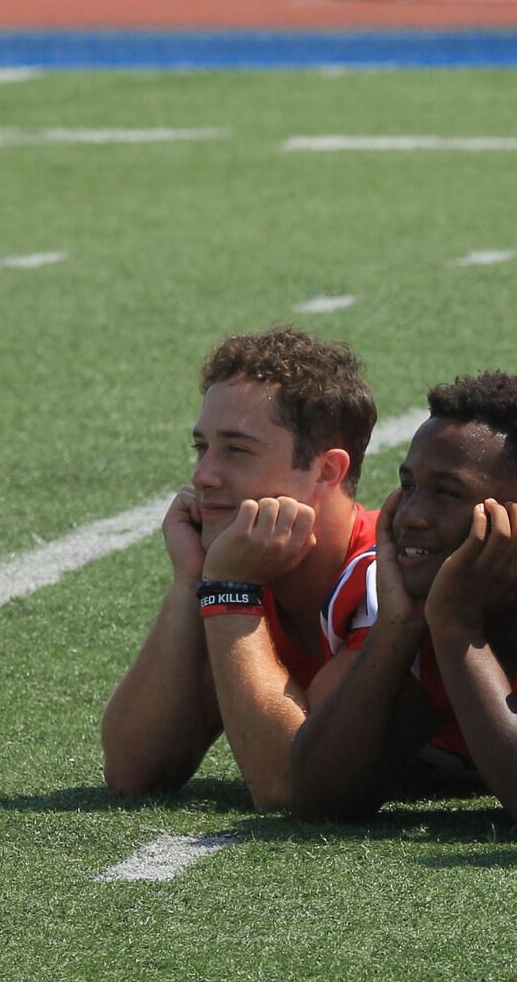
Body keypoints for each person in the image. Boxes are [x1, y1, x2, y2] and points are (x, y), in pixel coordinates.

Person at [290, 372, 517, 837]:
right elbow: (320, 797)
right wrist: (398, 626)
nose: (411, 516)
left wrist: (457, 628)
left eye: (449, 493)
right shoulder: (430, 589)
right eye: (409, 485)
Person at [102, 327, 377, 811]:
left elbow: (289, 787)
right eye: (201, 447)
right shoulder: (249, 566)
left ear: (327, 471)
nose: (203, 475)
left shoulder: (387, 575)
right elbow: (133, 770)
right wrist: (193, 580)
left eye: (236, 449)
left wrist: (229, 590)